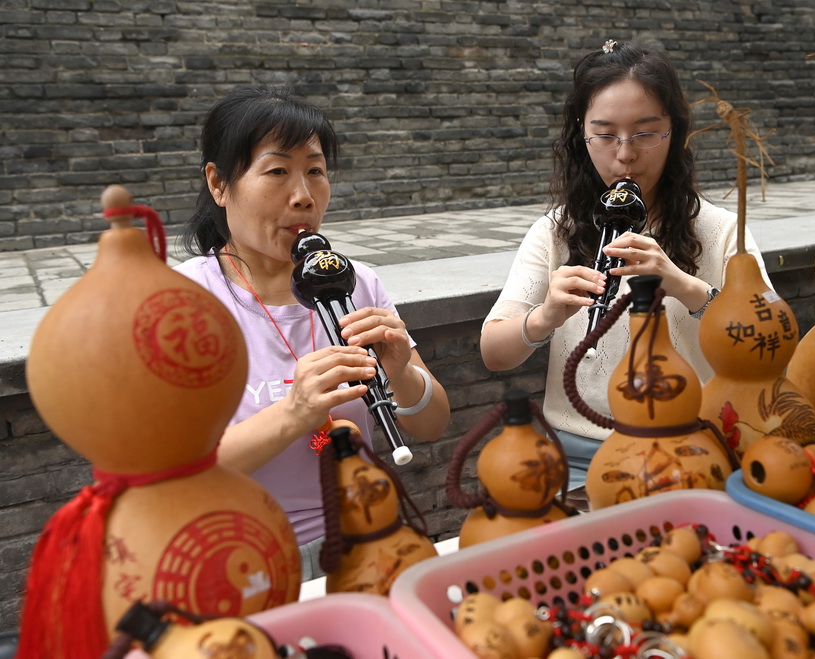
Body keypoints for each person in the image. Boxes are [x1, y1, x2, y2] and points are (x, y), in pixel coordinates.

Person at [176, 85, 450, 580]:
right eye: (278, 171)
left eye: (316, 172)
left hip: (365, 536)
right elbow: (172, 471)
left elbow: (431, 424)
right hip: (242, 557)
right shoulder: (181, 302)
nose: (303, 196)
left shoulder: (356, 281)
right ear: (219, 184)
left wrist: (402, 370)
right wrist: (294, 412)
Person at [480, 40, 768, 490]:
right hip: (576, 456)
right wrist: (545, 317)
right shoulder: (556, 231)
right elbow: (493, 352)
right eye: (606, 134)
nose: (626, 154)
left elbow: (766, 343)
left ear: (675, 132)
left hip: (691, 448)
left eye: (646, 133)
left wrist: (683, 285)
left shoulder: (723, 230)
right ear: (582, 134)